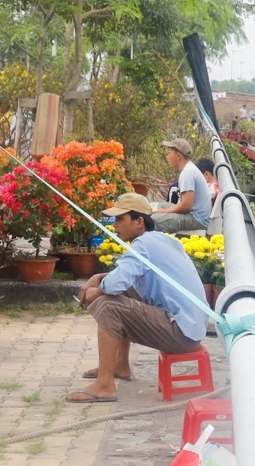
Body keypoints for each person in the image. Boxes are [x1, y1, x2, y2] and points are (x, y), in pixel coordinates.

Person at [67, 192, 205, 403]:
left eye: (120, 219)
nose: (115, 225)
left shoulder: (142, 246)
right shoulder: (159, 240)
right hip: (191, 327)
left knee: (107, 304)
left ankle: (104, 385)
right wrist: (99, 277)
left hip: (182, 334)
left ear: (139, 222)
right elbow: (121, 281)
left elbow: (113, 285)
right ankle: (120, 365)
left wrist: (98, 289)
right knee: (118, 293)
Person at [155, 138, 213, 229]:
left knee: (154, 221)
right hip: (194, 215)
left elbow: (186, 205)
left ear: (178, 156)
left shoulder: (187, 173)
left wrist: (164, 211)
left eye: (169, 153)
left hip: (197, 219)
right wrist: (163, 210)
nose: (167, 156)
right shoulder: (189, 168)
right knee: (157, 206)